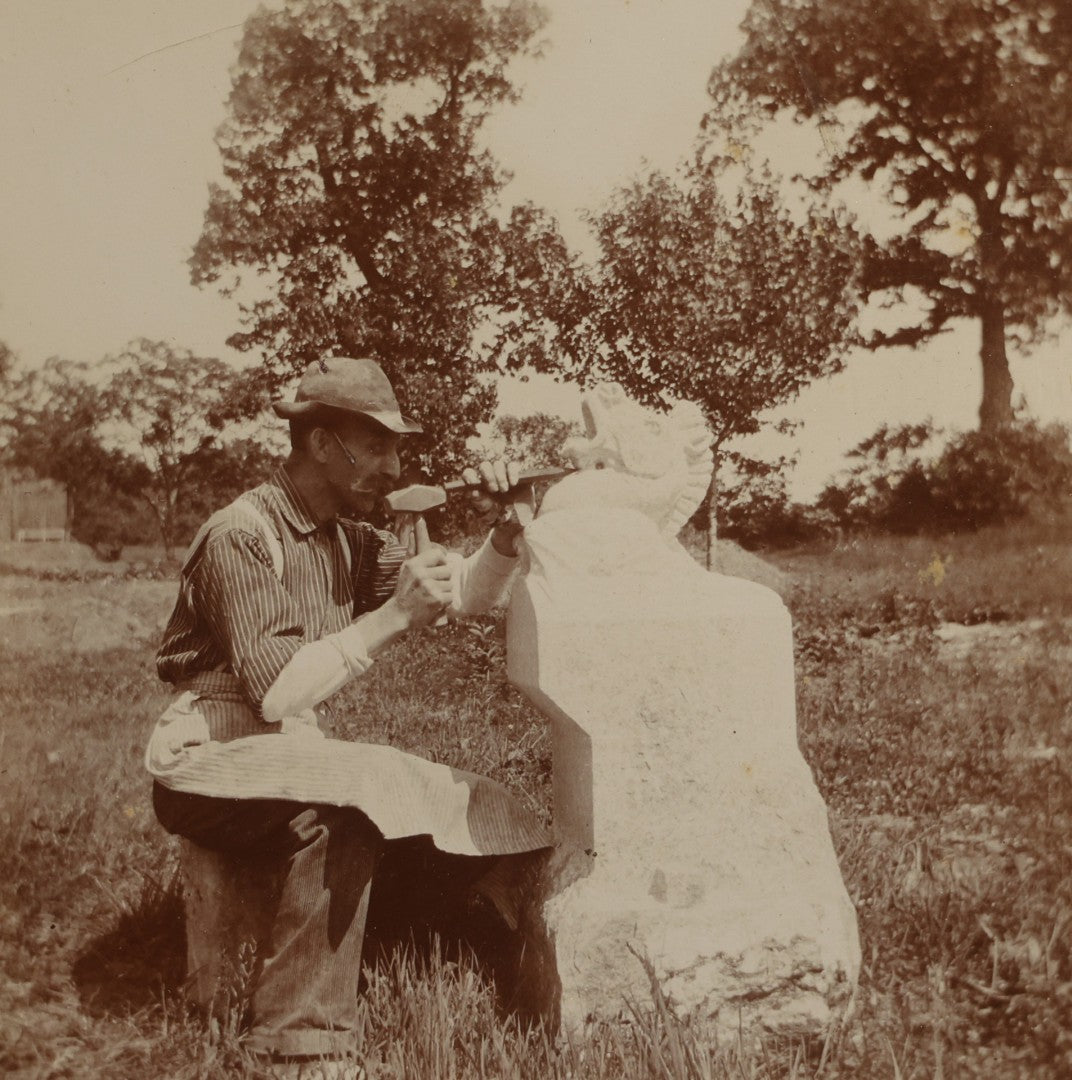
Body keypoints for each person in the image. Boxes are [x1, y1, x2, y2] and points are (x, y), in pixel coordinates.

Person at [145, 356, 550, 1077]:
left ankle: (446, 954)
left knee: (466, 799)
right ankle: (301, 1046)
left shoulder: (346, 536)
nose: (395, 466)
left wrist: (505, 536)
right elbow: (273, 694)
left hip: (280, 755)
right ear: (323, 444)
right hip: (203, 760)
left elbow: (460, 596)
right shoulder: (240, 534)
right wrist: (392, 618)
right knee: (346, 807)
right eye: (381, 445)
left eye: (398, 447)